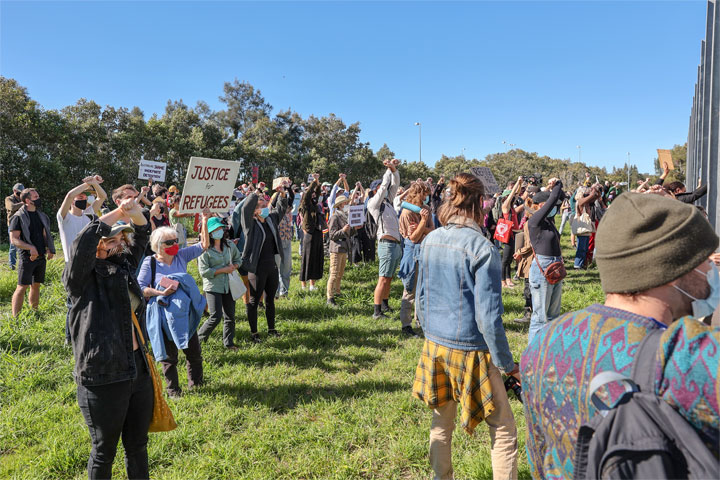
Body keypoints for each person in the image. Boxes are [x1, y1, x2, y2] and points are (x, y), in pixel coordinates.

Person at [521, 192, 720, 479]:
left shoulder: (543, 343)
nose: (711, 269)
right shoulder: (687, 357)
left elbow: (538, 458)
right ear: (675, 266)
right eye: (705, 260)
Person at [412, 173, 519, 480]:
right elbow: (488, 318)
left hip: (435, 345)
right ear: (480, 204)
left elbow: (420, 297)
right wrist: (507, 364)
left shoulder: (431, 238)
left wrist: (430, 334)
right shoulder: (483, 248)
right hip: (472, 350)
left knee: (440, 422)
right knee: (503, 431)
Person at [63, 191, 153, 480]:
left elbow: (142, 234)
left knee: (138, 446)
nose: (115, 246)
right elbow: (85, 241)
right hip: (103, 374)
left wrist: (133, 211)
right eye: (108, 241)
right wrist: (114, 214)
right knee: (104, 452)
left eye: (118, 240)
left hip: (137, 368)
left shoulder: (122, 267)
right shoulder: (79, 280)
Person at [137, 213, 210, 398]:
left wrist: (205, 221)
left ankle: (197, 384)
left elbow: (204, 245)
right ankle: (173, 390)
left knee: (193, 351)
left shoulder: (181, 256)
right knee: (170, 356)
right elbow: (141, 288)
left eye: (175, 241)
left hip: (184, 313)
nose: (174, 245)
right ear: (158, 246)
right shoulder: (150, 262)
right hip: (163, 315)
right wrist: (160, 293)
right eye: (169, 243)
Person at [240, 180, 293, 342]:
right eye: (260, 204)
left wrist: (282, 192)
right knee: (254, 300)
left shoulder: (270, 219)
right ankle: (254, 333)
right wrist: (256, 192)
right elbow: (244, 208)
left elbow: (282, 208)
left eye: (264, 204)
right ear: (254, 210)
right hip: (256, 267)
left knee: (270, 299)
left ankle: (271, 329)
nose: (264, 207)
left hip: (271, 266)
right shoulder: (250, 224)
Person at [526, 180, 564, 344]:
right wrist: (556, 184)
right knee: (540, 317)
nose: (554, 208)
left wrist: (558, 188)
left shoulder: (549, 222)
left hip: (555, 266)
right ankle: (533, 354)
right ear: (542, 205)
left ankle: (548, 349)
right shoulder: (535, 221)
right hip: (542, 269)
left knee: (553, 315)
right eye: (550, 205)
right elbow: (555, 197)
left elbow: (559, 197)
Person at [197, 217, 243, 351]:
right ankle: (199, 340)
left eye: (220, 229)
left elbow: (238, 259)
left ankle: (228, 343)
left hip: (228, 285)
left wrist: (235, 265)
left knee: (230, 316)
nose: (219, 231)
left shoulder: (229, 245)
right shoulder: (205, 250)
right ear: (210, 233)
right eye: (215, 229)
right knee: (215, 316)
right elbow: (204, 272)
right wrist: (223, 270)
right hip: (213, 286)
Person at [9, 188, 56, 317]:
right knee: (22, 287)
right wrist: (30, 247)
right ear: (28, 200)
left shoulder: (42, 216)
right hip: (27, 258)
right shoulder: (18, 217)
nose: (38, 198)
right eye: (35, 197)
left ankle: (34, 313)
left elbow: (44, 234)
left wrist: (49, 248)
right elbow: (14, 239)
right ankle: (15, 319)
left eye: (38, 195)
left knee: (36, 285)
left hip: (41, 256)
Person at [397, 181, 433, 337]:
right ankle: (406, 325)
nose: (426, 198)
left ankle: (422, 322)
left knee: (423, 290)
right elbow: (413, 237)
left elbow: (433, 230)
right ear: (418, 194)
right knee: (410, 290)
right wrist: (423, 223)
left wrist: (423, 227)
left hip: (425, 251)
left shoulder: (426, 209)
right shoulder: (407, 212)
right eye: (424, 194)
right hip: (412, 254)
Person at [367, 158, 402, 319]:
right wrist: (388, 168)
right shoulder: (373, 204)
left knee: (389, 278)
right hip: (386, 244)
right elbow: (384, 187)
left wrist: (393, 169)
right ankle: (376, 311)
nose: (386, 190)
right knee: (382, 278)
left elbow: (395, 183)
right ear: (375, 190)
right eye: (380, 188)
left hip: (395, 244)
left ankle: (385, 304)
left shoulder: (388, 203)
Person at [57, 176, 107, 263]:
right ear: (72, 201)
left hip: (87, 262)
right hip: (71, 263)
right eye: (80, 197)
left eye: (85, 197)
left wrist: (95, 183)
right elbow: (69, 195)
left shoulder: (88, 215)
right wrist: (88, 183)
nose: (84, 199)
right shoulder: (64, 216)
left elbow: (102, 197)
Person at [326, 195, 357, 307]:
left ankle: (337, 292)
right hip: (336, 248)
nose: (346, 204)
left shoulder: (346, 216)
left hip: (344, 248)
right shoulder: (335, 217)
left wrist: (354, 229)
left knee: (340, 273)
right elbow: (332, 235)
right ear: (340, 205)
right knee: (333, 273)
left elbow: (350, 233)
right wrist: (343, 230)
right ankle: (330, 297)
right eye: (345, 203)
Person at [299, 174, 323, 291]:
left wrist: (317, 181)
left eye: (314, 193)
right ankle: (303, 285)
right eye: (311, 193)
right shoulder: (306, 204)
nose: (313, 194)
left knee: (314, 258)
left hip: (317, 232)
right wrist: (314, 181)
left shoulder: (315, 204)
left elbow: (317, 192)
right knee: (307, 259)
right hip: (309, 233)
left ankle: (312, 285)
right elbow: (309, 194)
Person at [500, 177, 525, 288]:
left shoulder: (511, 207)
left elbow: (517, 194)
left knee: (510, 258)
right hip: (509, 235)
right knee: (505, 260)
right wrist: (516, 184)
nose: (513, 197)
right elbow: (512, 195)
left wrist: (520, 183)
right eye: (510, 195)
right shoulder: (505, 206)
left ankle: (508, 279)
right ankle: (502, 281)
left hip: (515, 234)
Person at [271, 184, 294, 298]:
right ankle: (275, 293)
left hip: (287, 241)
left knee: (286, 268)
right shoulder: (273, 212)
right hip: (276, 244)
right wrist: (279, 193)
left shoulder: (287, 210)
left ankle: (284, 292)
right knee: (276, 269)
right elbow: (275, 201)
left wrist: (287, 188)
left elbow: (291, 198)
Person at [4, 182, 24, 270]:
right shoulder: (9, 199)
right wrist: (24, 203)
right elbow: (12, 207)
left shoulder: (22, 199)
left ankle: (22, 264)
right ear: (14, 191)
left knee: (23, 244)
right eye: (19, 192)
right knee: (13, 246)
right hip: (12, 225)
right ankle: (12, 266)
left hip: (22, 224)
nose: (20, 194)